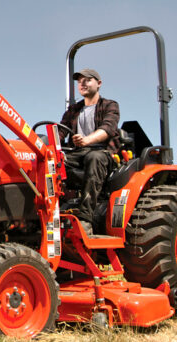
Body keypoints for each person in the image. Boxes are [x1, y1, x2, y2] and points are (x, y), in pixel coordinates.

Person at [59, 68, 120, 234]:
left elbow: (108, 129)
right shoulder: (73, 110)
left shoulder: (110, 105)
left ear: (99, 84)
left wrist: (86, 140)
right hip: (77, 154)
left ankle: (86, 219)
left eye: (87, 80)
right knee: (52, 161)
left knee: (94, 157)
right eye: (79, 81)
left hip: (103, 153)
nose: (82, 83)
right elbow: (60, 132)